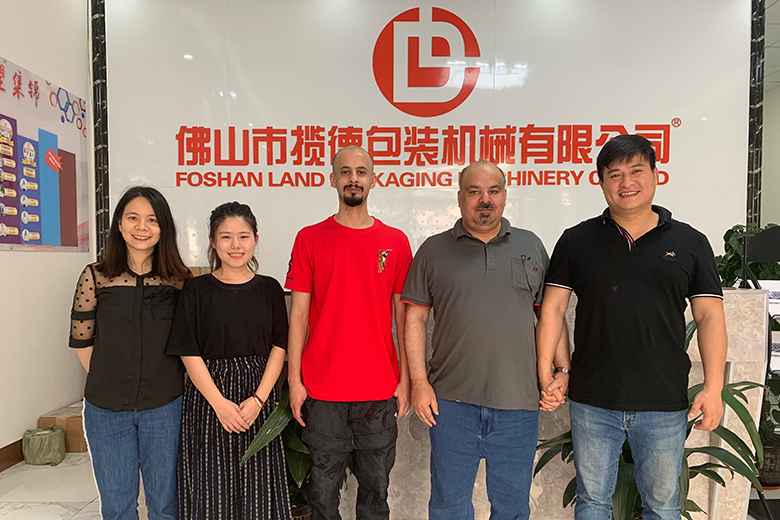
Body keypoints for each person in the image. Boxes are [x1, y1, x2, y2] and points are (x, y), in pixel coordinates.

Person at [536, 134, 728, 520]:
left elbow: (709, 316)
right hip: (593, 399)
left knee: (663, 506)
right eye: (615, 174)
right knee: (592, 502)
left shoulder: (690, 242)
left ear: (656, 175)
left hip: (663, 400)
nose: (626, 183)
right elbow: (553, 309)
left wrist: (713, 388)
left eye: (636, 171)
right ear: (601, 182)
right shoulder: (576, 240)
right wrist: (548, 373)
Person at [403, 160, 569, 520]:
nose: (485, 200)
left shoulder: (530, 245)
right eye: (474, 191)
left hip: (517, 404)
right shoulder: (433, 250)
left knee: (511, 508)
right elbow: (414, 318)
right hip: (451, 403)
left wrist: (562, 370)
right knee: (448, 507)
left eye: (493, 191)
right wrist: (419, 382)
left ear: (504, 196)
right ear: (459, 197)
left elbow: (550, 315)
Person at [285, 145, 412, 520]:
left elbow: (404, 318)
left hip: (378, 390)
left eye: (361, 172)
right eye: (345, 171)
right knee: (322, 498)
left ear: (373, 180)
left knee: (375, 495)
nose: (353, 178)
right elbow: (298, 315)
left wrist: (406, 379)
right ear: (333, 179)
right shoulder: (310, 238)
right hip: (323, 391)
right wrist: (295, 380)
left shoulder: (395, 241)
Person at [69, 186, 191, 520]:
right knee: (117, 506)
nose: (142, 227)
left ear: (163, 228)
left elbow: (190, 344)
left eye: (152, 220)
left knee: (165, 505)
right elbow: (82, 341)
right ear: (119, 225)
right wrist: (111, 378)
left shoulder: (179, 281)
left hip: (165, 407)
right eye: (133, 218)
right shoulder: (96, 276)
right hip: (106, 409)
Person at [166, 201, 290, 519]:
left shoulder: (270, 289)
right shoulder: (196, 290)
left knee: (259, 489)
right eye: (226, 237)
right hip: (209, 398)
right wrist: (219, 404)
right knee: (211, 490)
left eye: (243, 236)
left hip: (258, 396)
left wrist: (259, 400)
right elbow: (188, 351)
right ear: (212, 241)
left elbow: (280, 347)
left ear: (255, 239)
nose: (235, 245)